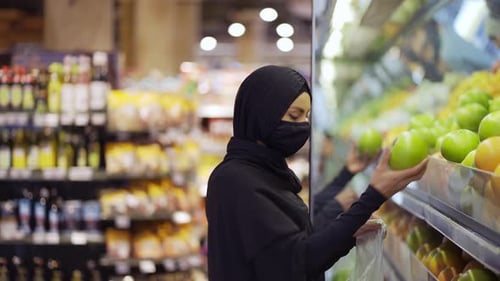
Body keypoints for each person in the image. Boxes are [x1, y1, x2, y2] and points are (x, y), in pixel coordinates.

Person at [205, 65, 428, 281]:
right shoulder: (236, 181)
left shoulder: (263, 172)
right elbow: (301, 260)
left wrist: (347, 182)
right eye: (294, 116)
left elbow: (300, 230)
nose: (303, 126)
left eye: (306, 116)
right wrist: (373, 196)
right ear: (262, 114)